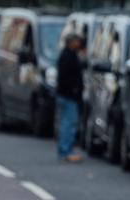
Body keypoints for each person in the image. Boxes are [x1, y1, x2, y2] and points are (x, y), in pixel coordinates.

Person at [55, 34, 86, 163]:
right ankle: (65, 151)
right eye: (77, 41)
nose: (79, 43)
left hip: (67, 95)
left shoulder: (69, 54)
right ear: (71, 42)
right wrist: (74, 90)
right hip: (68, 96)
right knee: (68, 124)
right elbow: (67, 77)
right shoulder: (68, 56)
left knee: (67, 123)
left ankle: (66, 150)